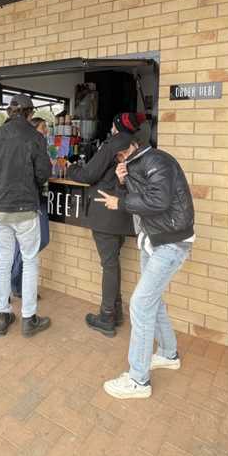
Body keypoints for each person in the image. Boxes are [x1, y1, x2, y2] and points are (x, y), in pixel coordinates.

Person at [95, 131, 195, 399]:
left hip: (170, 242)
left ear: (131, 147)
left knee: (140, 304)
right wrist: (121, 182)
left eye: (120, 154)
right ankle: (168, 353)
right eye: (116, 156)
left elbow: (158, 202)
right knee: (153, 300)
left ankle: (139, 381)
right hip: (152, 239)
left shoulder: (157, 162)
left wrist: (122, 200)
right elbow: (134, 200)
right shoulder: (136, 164)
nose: (119, 158)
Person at [0, 94, 52, 337]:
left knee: (3, 261)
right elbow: (43, 174)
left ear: (9, 113)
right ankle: (28, 319)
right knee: (30, 261)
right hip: (23, 209)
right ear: (30, 114)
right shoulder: (35, 137)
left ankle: (3, 314)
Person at [66, 113, 139, 337]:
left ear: (116, 127)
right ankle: (114, 311)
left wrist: (70, 169)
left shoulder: (113, 144)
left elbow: (89, 174)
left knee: (108, 263)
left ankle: (107, 316)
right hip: (122, 214)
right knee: (112, 262)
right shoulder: (137, 145)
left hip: (106, 211)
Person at [10, 117, 51, 299]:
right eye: (44, 128)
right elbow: (42, 173)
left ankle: (14, 283)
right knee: (38, 241)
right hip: (30, 200)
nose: (47, 131)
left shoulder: (33, 144)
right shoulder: (34, 144)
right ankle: (16, 283)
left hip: (32, 199)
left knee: (28, 243)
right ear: (35, 129)